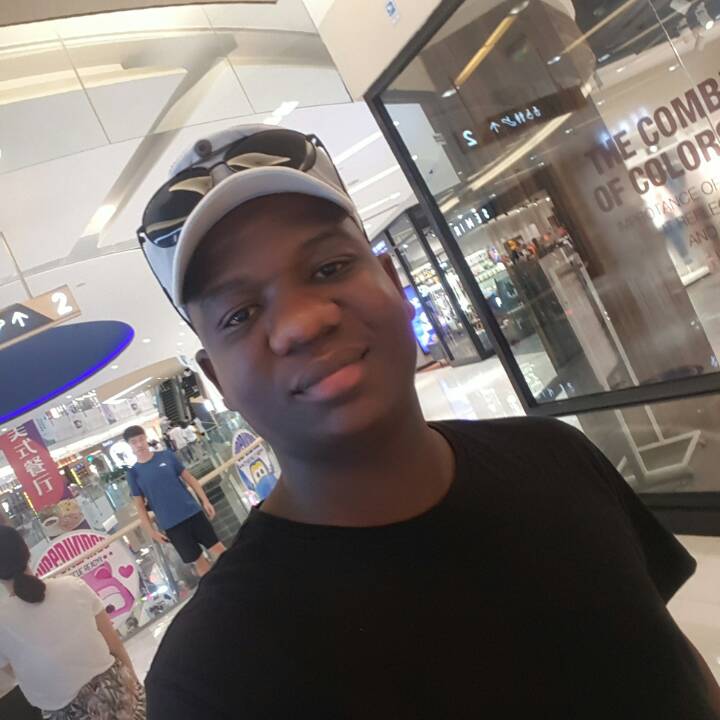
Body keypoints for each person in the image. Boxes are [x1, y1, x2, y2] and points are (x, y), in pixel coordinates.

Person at [137, 126, 720, 718]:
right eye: (239, 314)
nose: (302, 324)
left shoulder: (558, 456)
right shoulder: (211, 677)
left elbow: (681, 671)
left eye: (329, 267)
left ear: (393, 282)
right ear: (217, 379)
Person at [0, 526, 144, 719]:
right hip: (118, 693)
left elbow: (16, 674)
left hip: (64, 713)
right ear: (26, 551)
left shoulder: (3, 621)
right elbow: (114, 644)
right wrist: (135, 685)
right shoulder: (72, 586)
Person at [123, 425, 225, 576]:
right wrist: (152, 532)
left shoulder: (166, 456)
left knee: (219, 549)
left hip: (192, 512)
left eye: (141, 439)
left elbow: (190, 478)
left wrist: (205, 500)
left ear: (146, 439)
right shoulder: (133, 473)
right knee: (199, 561)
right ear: (129, 445)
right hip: (172, 525)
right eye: (134, 442)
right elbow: (140, 506)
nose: (139, 444)